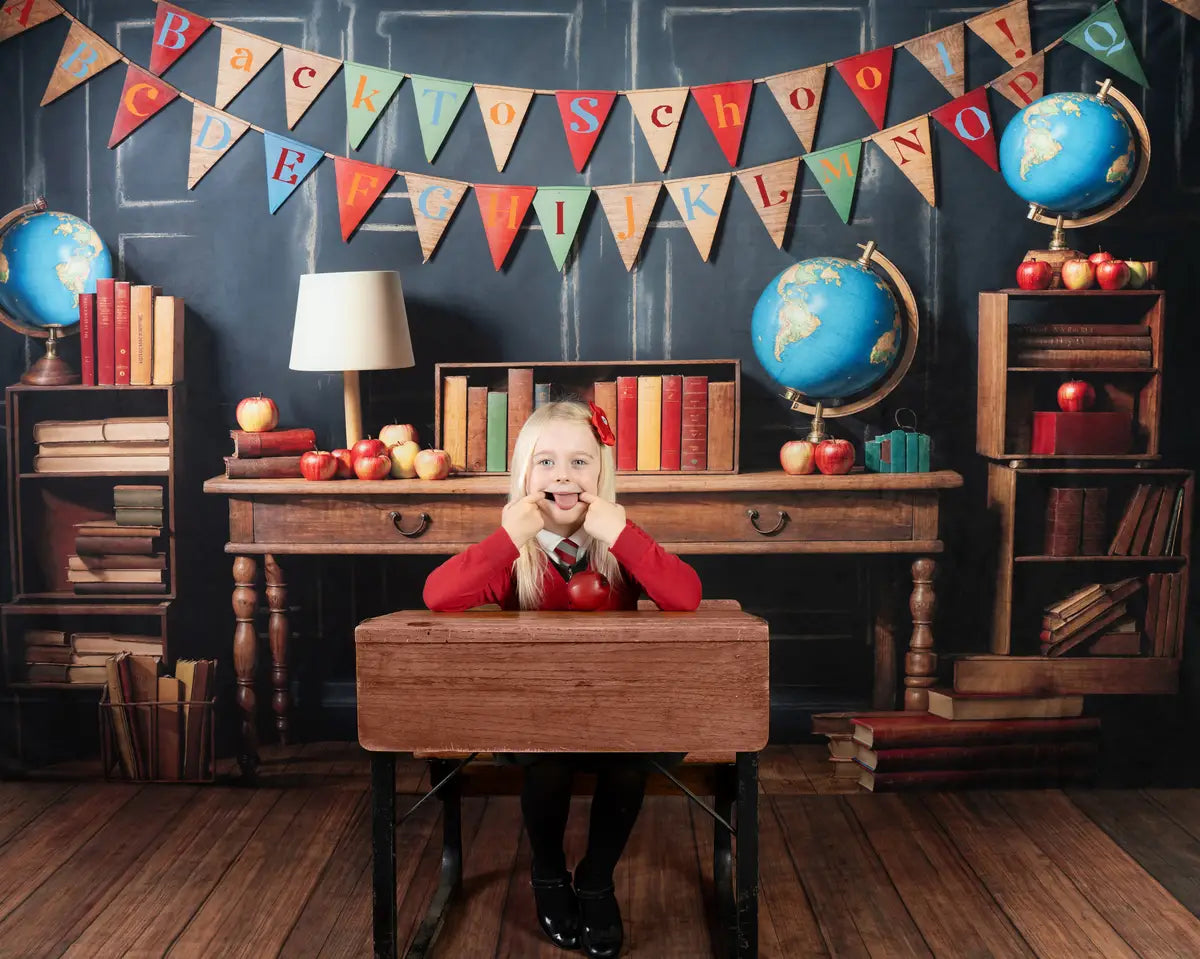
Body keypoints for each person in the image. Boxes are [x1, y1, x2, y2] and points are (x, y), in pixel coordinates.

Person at [423, 399, 702, 958]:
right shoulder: (514, 557)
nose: (563, 477)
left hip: (617, 718)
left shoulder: (618, 546)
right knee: (546, 767)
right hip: (534, 720)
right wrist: (506, 538)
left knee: (628, 768)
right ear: (525, 476)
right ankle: (548, 875)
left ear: (601, 474)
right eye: (545, 463)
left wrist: (621, 535)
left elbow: (687, 595)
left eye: (580, 462)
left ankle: (597, 879)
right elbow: (437, 595)